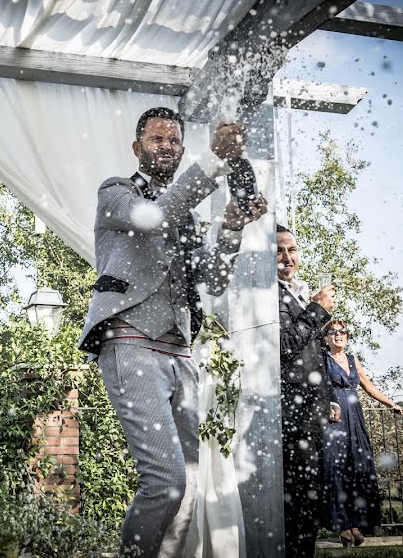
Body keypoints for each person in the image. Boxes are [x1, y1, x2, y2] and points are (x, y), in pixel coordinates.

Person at [78, 106, 267, 558]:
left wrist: (232, 228)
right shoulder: (116, 192)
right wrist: (211, 161)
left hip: (180, 351)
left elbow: (215, 280)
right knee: (165, 481)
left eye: (175, 141)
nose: (168, 147)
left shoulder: (187, 214)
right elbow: (155, 216)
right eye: (158, 139)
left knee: (188, 484)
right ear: (137, 147)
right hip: (129, 340)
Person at [275, 224, 340, 558]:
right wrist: (318, 311)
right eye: (279, 250)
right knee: (297, 495)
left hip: (313, 409)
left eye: (292, 249)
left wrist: (327, 396)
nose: (288, 257)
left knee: (311, 492)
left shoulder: (301, 290)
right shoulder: (270, 294)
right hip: (291, 411)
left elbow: (314, 352)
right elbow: (284, 346)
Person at [321, 319, 403, 548]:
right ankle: (341, 525)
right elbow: (317, 387)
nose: (338, 335)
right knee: (337, 469)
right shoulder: (322, 358)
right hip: (335, 418)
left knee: (357, 467)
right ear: (326, 337)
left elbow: (368, 385)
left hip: (355, 417)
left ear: (347, 336)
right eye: (332, 332)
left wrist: (390, 403)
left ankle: (356, 521)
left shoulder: (352, 360)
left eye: (342, 331)